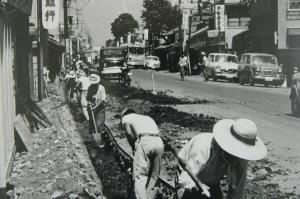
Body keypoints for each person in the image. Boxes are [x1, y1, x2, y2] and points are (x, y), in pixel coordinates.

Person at [176, 118, 267, 199]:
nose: (237, 158)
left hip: (213, 180)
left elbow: (237, 189)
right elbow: (186, 178)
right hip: (188, 175)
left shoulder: (242, 158)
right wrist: (200, 189)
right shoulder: (204, 147)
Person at [120, 109, 164, 199]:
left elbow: (128, 133)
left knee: (140, 176)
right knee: (154, 174)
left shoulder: (125, 118)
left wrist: (133, 147)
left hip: (145, 141)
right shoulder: (147, 117)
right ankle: (148, 195)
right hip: (159, 142)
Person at [86, 74, 106, 147]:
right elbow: (88, 98)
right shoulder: (90, 87)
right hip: (92, 108)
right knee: (92, 123)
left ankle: (100, 138)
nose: (93, 85)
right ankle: (94, 138)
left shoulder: (101, 88)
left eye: (95, 84)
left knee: (99, 124)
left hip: (100, 108)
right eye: (92, 83)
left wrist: (96, 106)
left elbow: (102, 100)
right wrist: (89, 102)